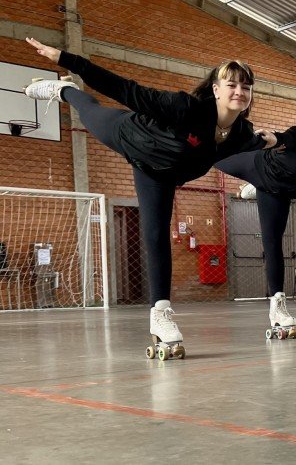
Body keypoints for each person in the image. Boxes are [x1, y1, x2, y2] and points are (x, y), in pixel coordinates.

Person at [24, 37, 276, 359]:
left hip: (159, 176)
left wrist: (271, 142)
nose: (239, 91)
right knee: (90, 110)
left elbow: (255, 145)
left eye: (246, 86)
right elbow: (125, 90)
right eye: (232, 84)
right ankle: (64, 90)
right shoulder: (185, 108)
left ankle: (159, 313)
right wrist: (66, 58)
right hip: (132, 137)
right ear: (215, 89)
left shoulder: (241, 133)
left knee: (156, 234)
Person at [215, 97, 296, 339]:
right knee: (213, 153)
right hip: (258, 166)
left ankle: (277, 306)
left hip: (277, 192)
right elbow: (285, 138)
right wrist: (274, 139)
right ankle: (247, 184)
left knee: (273, 243)